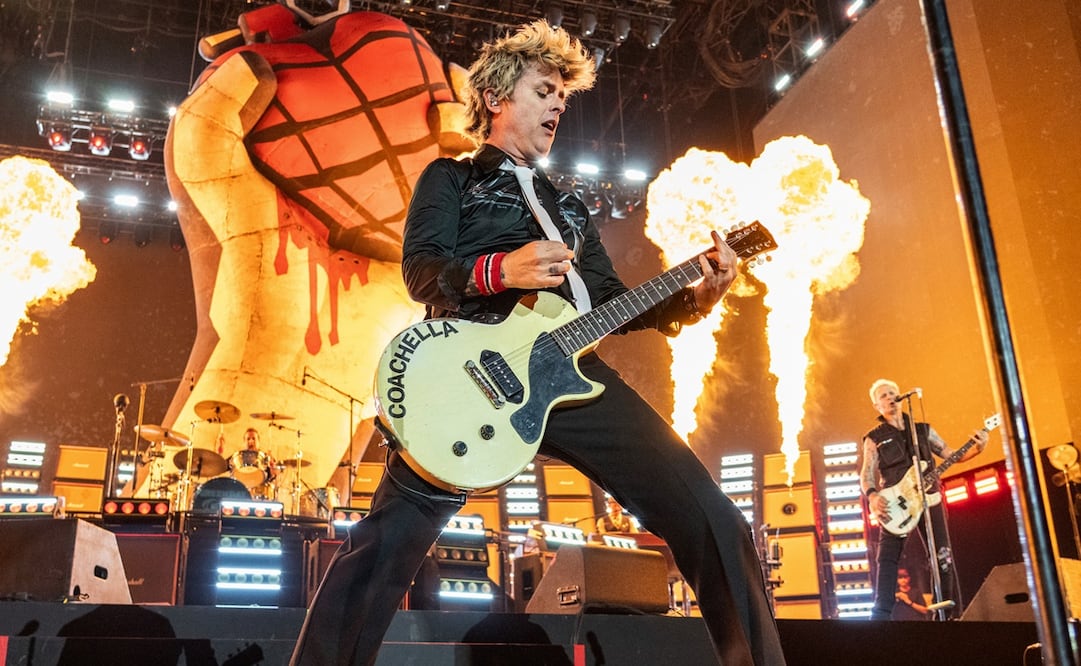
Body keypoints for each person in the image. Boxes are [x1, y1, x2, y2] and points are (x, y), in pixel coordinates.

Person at [291, 20, 785, 666]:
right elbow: (421, 270)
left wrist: (697, 295)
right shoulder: (453, 179)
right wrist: (503, 270)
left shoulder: (573, 212)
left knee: (714, 521)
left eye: (563, 95)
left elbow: (610, 303)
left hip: (574, 377)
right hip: (472, 373)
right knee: (379, 553)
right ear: (497, 97)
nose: (558, 104)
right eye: (544, 89)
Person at [859, 378, 988, 621]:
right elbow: (866, 474)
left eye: (893, 393)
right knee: (887, 559)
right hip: (895, 502)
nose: (890, 398)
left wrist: (978, 447)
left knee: (942, 554)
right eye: (884, 395)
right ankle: (880, 617)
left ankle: (947, 614)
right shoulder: (874, 437)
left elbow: (951, 455)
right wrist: (873, 496)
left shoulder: (923, 430)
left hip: (930, 499)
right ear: (877, 405)